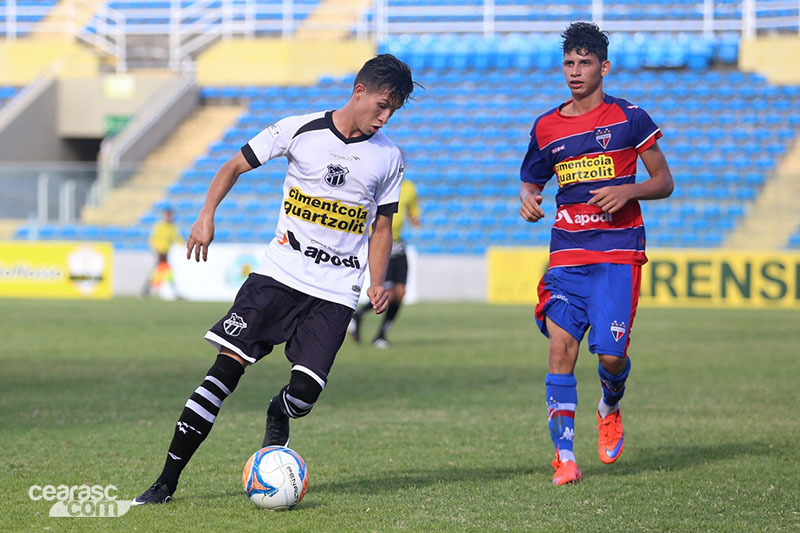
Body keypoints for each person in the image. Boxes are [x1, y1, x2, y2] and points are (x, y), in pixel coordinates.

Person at [132, 54, 416, 505]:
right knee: (224, 371)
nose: (385, 117)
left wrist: (376, 279)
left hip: (334, 291)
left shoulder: (389, 157)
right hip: (278, 276)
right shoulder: (298, 129)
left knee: (303, 396)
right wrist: (206, 215)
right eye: (382, 105)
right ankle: (165, 482)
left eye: (393, 111)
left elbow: (382, 226)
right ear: (359, 91)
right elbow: (232, 167)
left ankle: (277, 410)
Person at [518, 22, 674, 485]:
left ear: (604, 67)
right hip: (567, 253)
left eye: (585, 63)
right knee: (560, 348)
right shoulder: (546, 125)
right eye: (569, 63)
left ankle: (610, 404)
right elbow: (532, 177)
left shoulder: (630, 117)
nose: (575, 71)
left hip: (618, 253)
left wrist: (629, 190)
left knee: (609, 356)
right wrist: (528, 198)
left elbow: (664, 181)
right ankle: (564, 458)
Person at [347, 177, 420, 348]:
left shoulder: (409, 188)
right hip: (380, 242)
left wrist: (414, 219)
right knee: (387, 292)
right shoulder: (379, 185)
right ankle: (358, 316)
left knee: (400, 293)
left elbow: (412, 211)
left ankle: (381, 335)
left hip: (398, 245)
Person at [143, 207, 183, 298]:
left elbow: (176, 238)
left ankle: (146, 289)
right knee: (165, 271)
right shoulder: (159, 226)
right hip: (159, 253)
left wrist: (184, 244)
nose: (169, 217)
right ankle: (175, 291)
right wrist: (156, 250)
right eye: (168, 215)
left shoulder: (172, 227)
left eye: (171, 216)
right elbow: (152, 239)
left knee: (160, 271)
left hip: (165, 253)